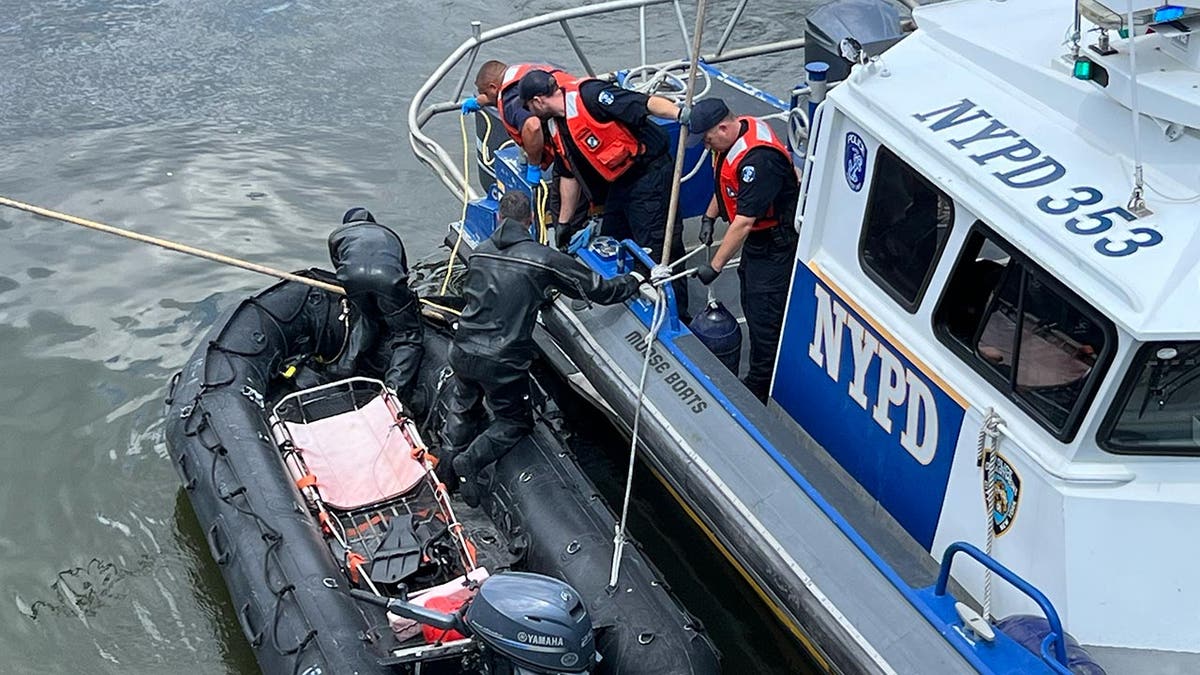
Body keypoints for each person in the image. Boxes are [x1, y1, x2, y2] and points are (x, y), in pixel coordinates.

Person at [442, 190, 644, 506]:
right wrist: (633, 280)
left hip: (463, 349)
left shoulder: (480, 253)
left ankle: (445, 475)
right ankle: (471, 461)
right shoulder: (542, 259)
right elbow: (596, 289)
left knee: (463, 407)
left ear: (499, 218)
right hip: (502, 360)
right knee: (514, 422)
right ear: (531, 220)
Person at [519, 68, 691, 320]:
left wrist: (680, 114)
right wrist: (564, 223)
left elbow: (643, 104)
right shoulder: (556, 126)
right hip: (621, 183)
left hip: (649, 174)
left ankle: (674, 313)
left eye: (529, 107)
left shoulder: (591, 96)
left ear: (537, 101)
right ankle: (626, 295)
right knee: (611, 237)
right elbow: (569, 174)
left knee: (654, 247)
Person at [688, 99, 800, 403]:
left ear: (723, 127)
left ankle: (763, 386)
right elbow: (726, 182)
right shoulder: (737, 135)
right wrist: (710, 215)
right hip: (759, 244)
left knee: (765, 315)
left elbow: (745, 221)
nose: (706, 145)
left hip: (776, 243)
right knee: (751, 296)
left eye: (708, 138)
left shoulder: (758, 161)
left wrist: (715, 265)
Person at [462, 61, 590, 243]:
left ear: (493, 86)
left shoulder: (510, 101)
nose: (485, 96)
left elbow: (533, 126)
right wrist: (478, 101)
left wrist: (534, 165)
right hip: (583, 125)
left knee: (562, 205)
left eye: (484, 92)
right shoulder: (524, 73)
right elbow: (497, 94)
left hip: (576, 147)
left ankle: (568, 246)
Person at [327, 207, 424, 400]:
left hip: (353, 278)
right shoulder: (388, 234)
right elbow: (402, 270)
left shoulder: (337, 235)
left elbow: (339, 265)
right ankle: (394, 390)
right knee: (408, 336)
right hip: (386, 279)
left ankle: (344, 368)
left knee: (367, 318)